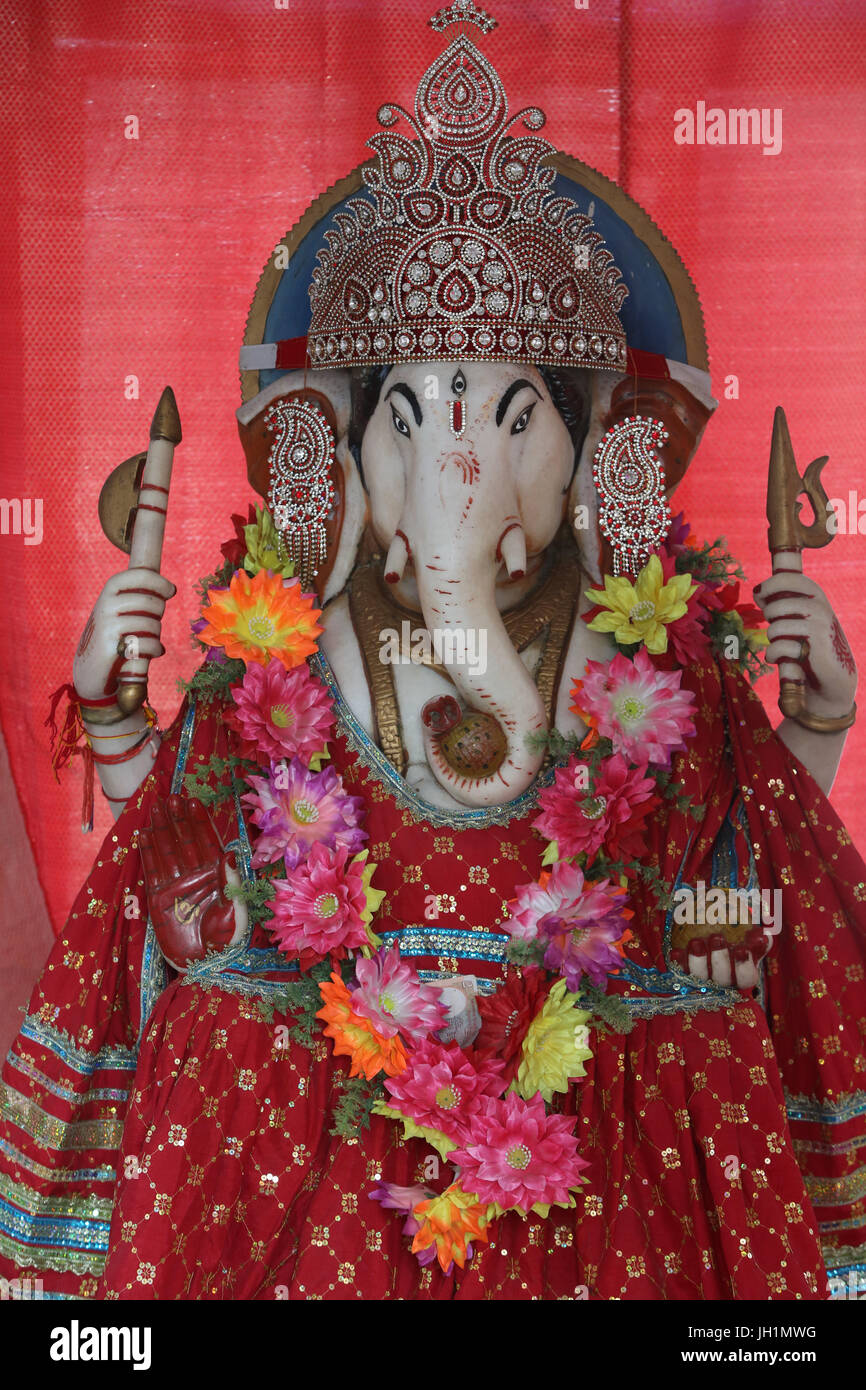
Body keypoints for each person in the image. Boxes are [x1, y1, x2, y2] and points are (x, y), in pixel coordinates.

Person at [1, 6, 863, 1301]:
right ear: (342, 468)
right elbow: (193, 904)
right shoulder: (281, 652)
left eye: (513, 417)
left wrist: (814, 729)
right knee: (228, 1018)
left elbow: (725, 884)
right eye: (403, 418)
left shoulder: (651, 654)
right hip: (324, 1139)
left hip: (594, 1143)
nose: (451, 471)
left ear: (591, 466)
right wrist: (118, 727)